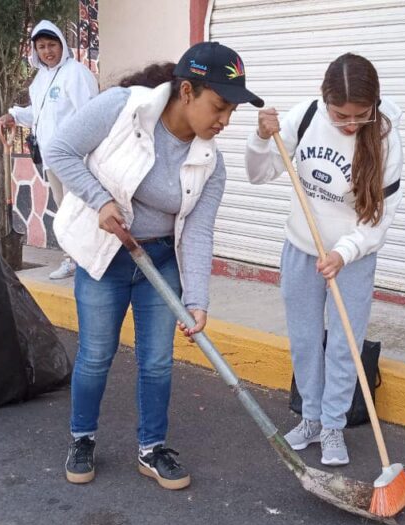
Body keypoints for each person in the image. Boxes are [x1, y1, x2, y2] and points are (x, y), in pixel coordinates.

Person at [45, 42, 262, 489]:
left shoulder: (210, 162)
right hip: (104, 257)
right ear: (187, 90)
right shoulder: (123, 108)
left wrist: (198, 298)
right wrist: (100, 200)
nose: (224, 121)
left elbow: (199, 232)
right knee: (95, 355)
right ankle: (82, 438)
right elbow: (60, 150)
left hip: (159, 260)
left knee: (157, 361)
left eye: (231, 111)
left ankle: (151, 448)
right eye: (219, 106)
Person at [244, 53, 402, 466]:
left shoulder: (384, 137)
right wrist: (261, 138)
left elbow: (378, 221)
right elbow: (259, 174)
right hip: (301, 247)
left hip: (352, 256)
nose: (351, 124)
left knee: (345, 346)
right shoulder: (308, 115)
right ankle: (310, 419)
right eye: (341, 116)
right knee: (305, 338)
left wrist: (343, 252)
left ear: (374, 104)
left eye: (359, 115)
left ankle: (334, 425)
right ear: (324, 100)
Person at [0, 20, 99, 280]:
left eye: (51, 44)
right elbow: (39, 114)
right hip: (53, 160)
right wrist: (14, 115)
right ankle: (74, 259)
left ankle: (87, 260)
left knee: (81, 211)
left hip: (76, 157)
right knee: (66, 211)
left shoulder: (76, 73)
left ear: (62, 45)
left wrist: (86, 154)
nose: (47, 51)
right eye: (41, 46)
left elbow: (90, 114)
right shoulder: (41, 78)